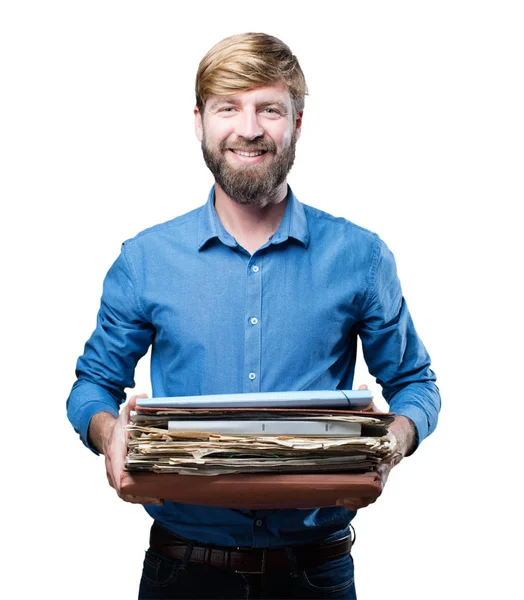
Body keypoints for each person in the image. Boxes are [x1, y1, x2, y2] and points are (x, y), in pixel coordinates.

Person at [67, 32, 440, 599]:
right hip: (181, 572)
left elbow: (415, 384)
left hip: (316, 573)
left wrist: (396, 436)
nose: (248, 129)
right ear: (199, 120)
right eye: (228, 108)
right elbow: (92, 385)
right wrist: (107, 430)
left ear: (297, 121)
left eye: (269, 109)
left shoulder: (361, 258)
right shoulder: (144, 260)